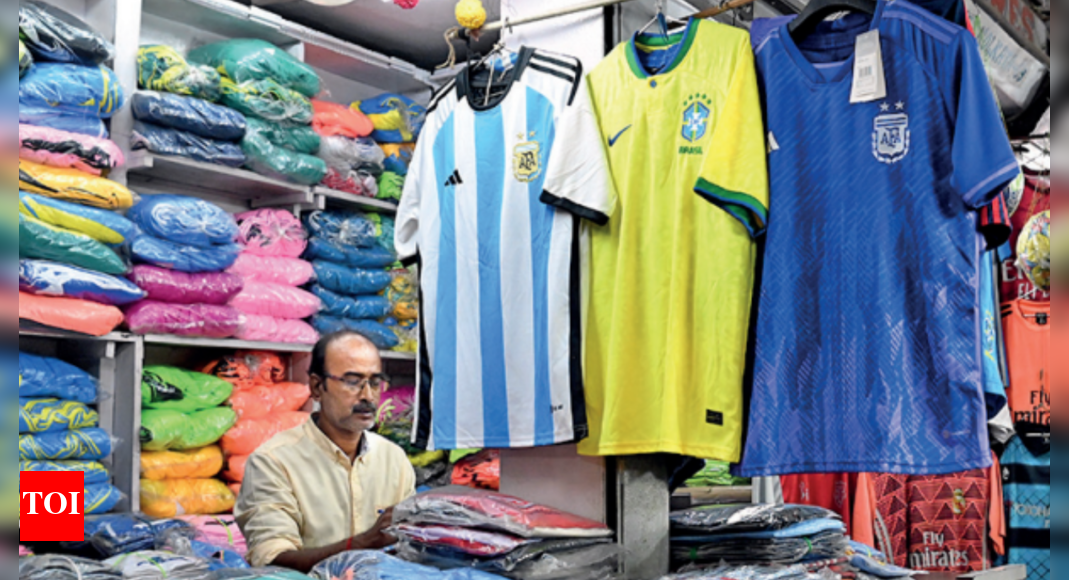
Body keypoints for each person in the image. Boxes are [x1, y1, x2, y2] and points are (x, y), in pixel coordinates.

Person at [235, 331, 417, 572]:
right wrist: (363, 543)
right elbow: (272, 560)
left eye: (375, 382)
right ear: (317, 387)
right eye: (352, 381)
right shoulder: (274, 461)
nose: (368, 395)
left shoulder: (393, 458)